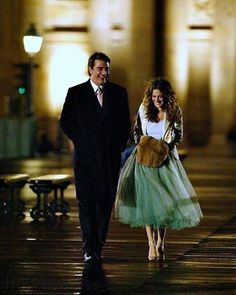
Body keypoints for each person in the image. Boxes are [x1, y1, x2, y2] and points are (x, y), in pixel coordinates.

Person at [115, 77, 203, 261]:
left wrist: (164, 148)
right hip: (144, 162)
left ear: (167, 97)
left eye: (160, 97)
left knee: (163, 203)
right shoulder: (143, 109)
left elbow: (178, 134)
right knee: (147, 202)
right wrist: (144, 144)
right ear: (150, 96)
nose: (157, 100)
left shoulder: (174, 111)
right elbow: (137, 131)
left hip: (165, 161)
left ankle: (160, 242)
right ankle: (150, 244)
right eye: (154, 96)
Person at [60, 52, 131, 264]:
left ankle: (98, 243)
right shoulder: (76, 93)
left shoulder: (119, 93)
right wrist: (80, 141)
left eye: (107, 69)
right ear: (90, 69)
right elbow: (66, 122)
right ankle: (89, 247)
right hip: (85, 158)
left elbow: (125, 123)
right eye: (100, 68)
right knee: (86, 202)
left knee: (105, 201)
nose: (104, 73)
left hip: (110, 158)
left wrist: (118, 145)